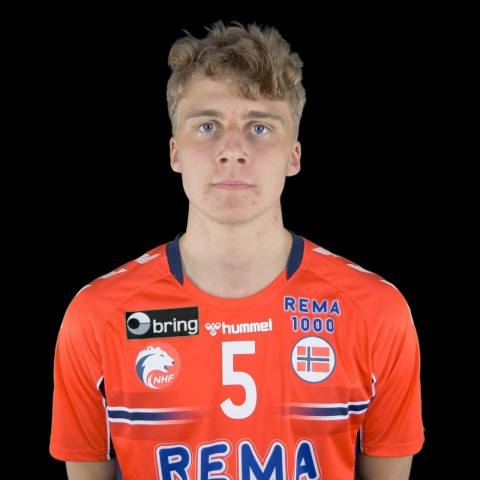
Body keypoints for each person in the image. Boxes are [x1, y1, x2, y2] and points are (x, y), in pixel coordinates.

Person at [49, 20, 424, 479]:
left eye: (259, 127)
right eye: (207, 126)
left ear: (294, 156)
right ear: (174, 152)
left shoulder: (377, 313)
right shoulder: (96, 318)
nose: (232, 150)